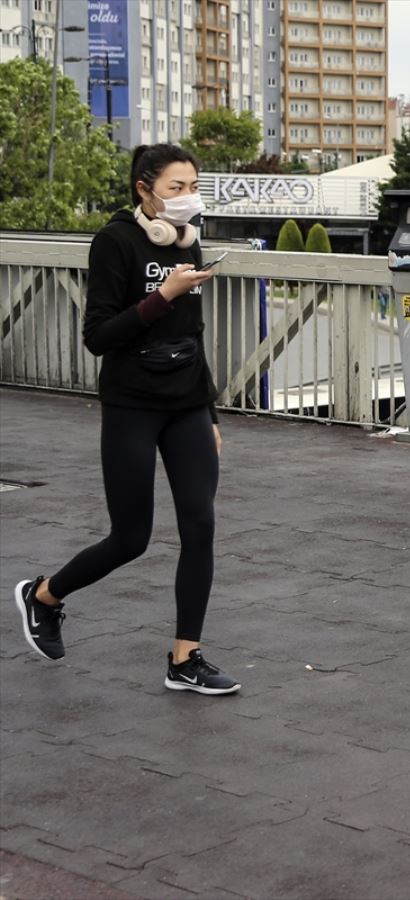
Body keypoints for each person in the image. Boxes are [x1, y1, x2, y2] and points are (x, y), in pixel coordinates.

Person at [13, 144, 240, 695]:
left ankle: (186, 658)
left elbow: (194, 334)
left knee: (200, 525)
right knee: (131, 537)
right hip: (132, 405)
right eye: (176, 187)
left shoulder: (191, 240)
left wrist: (208, 410)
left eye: (193, 186)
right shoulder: (114, 242)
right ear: (144, 189)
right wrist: (163, 294)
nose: (188, 198)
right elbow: (99, 337)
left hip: (186, 403)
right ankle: (43, 595)